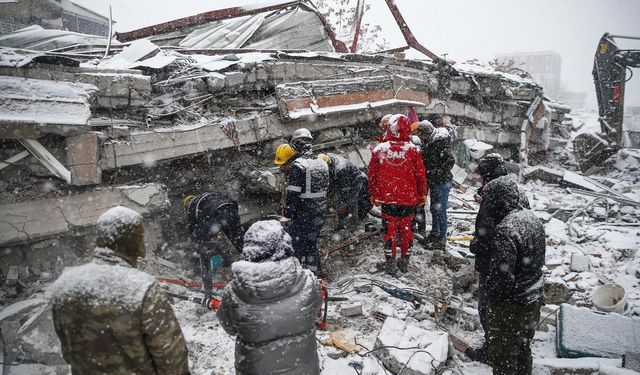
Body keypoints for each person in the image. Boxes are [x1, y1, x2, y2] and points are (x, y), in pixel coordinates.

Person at [50, 206, 189, 374]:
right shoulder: (143, 287)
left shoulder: (64, 285)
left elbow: (68, 352)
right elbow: (171, 358)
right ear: (136, 244)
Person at [217, 220, 322, 375]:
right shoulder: (308, 282)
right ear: (285, 246)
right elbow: (315, 310)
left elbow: (229, 327)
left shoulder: (234, 292)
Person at [467, 153, 530, 365]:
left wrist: (476, 245)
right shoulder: (517, 193)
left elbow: (485, 234)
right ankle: (512, 346)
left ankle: (492, 351)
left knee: (488, 307)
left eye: (481, 175)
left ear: (488, 175)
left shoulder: (492, 197)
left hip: (497, 262)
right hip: (519, 262)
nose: (478, 179)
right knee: (509, 308)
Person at [478, 175, 545, 375]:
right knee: (523, 351)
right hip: (533, 298)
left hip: (511, 306)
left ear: (499, 201)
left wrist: (493, 299)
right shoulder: (532, 219)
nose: (488, 208)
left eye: (490, 202)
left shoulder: (506, 229)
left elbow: (502, 277)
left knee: (504, 359)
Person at [369, 114, 427, 274]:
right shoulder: (414, 150)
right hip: (409, 198)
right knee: (407, 230)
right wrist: (422, 194)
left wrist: (372, 193)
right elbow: (420, 175)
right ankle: (404, 261)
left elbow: (372, 174)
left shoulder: (380, 149)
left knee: (390, 230)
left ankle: (391, 262)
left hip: (388, 199)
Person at [275, 142, 329, 276]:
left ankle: (296, 275)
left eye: (283, 164)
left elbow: (294, 194)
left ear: (289, 160)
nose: (282, 168)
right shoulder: (317, 161)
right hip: (319, 210)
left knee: (297, 243)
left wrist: (288, 211)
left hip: (306, 213)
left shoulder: (297, 167)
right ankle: (315, 273)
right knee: (311, 242)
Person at [183, 193, 244, 298]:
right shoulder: (207, 197)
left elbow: (193, 230)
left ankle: (207, 289)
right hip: (231, 209)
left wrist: (196, 246)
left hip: (216, 214)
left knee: (200, 244)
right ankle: (255, 273)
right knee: (240, 244)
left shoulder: (192, 207)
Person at [412, 119, 455, 250]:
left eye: (420, 134)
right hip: (435, 180)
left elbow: (449, 162)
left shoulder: (440, 142)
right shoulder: (429, 141)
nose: (420, 138)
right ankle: (435, 234)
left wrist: (434, 172)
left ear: (426, 132)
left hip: (441, 181)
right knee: (434, 209)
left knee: (440, 210)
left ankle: (441, 239)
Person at [322, 152, 371, 229]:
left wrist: (344, 204)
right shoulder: (325, 160)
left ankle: (353, 224)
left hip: (355, 180)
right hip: (342, 180)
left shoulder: (341, 168)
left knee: (352, 202)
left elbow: (345, 189)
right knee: (338, 202)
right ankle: (342, 223)